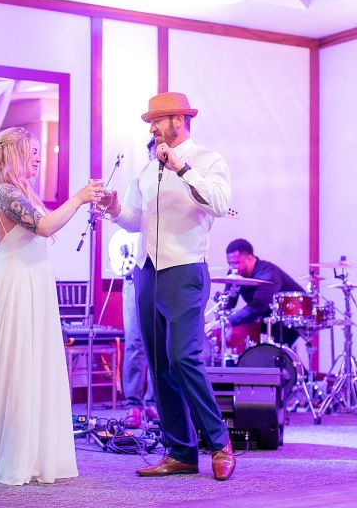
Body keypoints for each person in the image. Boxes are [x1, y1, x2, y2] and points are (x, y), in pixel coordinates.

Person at [0, 126, 105, 483]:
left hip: (35, 280)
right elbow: (45, 227)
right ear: (15, 155)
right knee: (19, 364)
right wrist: (79, 198)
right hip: (18, 282)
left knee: (36, 364)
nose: (39, 158)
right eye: (32, 152)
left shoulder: (22, 192)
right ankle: (13, 453)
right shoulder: (4, 193)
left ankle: (32, 450)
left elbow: (47, 226)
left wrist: (83, 202)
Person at [103, 92, 235, 480]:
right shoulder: (146, 170)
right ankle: (180, 451)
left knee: (183, 357)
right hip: (147, 271)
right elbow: (134, 219)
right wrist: (113, 207)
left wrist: (182, 168)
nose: (151, 128)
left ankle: (218, 441)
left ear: (178, 120)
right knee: (160, 365)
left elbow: (219, 204)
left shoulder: (209, 160)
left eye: (157, 120)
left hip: (185, 270)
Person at [121, 137, 157, 429]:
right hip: (137, 269)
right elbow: (127, 225)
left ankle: (157, 402)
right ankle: (134, 404)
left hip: (167, 269)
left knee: (161, 343)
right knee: (135, 340)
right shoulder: (137, 183)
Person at [220, 238, 305, 348]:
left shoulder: (268, 273)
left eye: (236, 263)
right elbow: (230, 303)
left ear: (250, 258)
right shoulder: (234, 272)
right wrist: (222, 303)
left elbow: (258, 306)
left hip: (289, 319)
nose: (232, 267)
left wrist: (228, 322)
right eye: (229, 263)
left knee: (274, 355)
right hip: (267, 317)